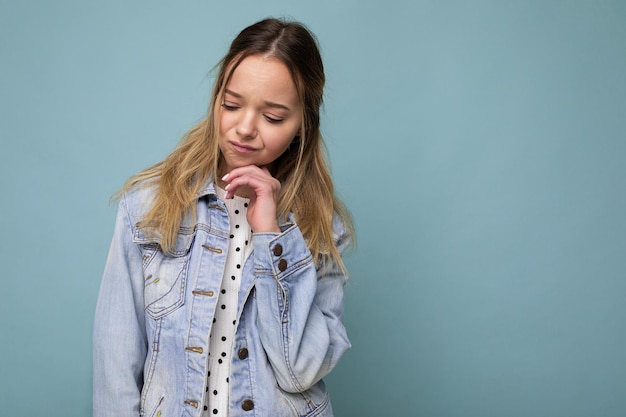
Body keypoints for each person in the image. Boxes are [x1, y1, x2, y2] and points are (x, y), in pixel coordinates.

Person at [93, 17, 354, 417]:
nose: (244, 128)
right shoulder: (147, 207)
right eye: (231, 105)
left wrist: (272, 236)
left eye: (273, 117)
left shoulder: (321, 229)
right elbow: (115, 363)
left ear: (303, 125)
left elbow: (299, 371)